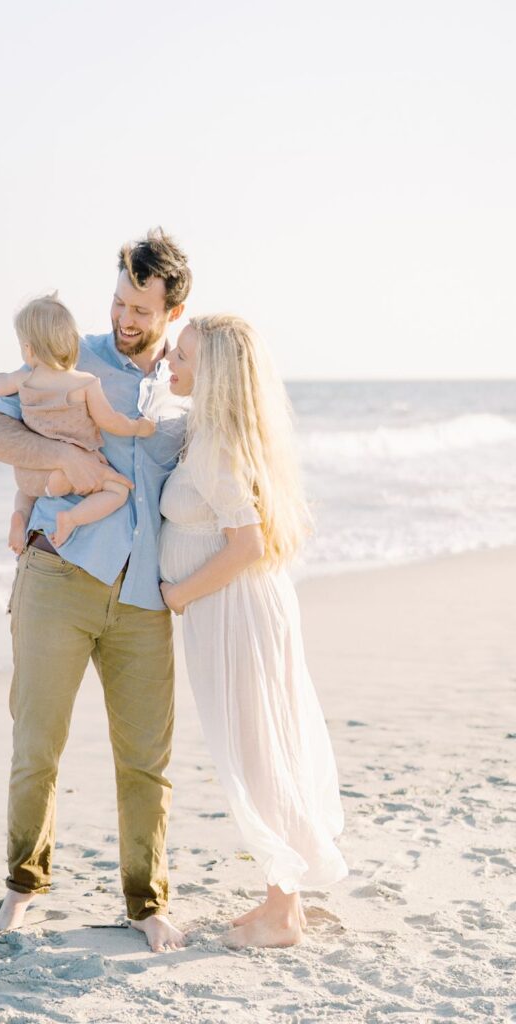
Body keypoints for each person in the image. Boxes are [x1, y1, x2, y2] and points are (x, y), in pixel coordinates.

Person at [0, 228, 192, 952]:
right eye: (120, 300)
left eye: (141, 309)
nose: (125, 317)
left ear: (172, 311)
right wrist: (61, 453)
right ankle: (21, 889)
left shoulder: (189, 388)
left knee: (146, 761)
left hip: (144, 597)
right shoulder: (69, 358)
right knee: (37, 744)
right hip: (57, 576)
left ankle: (145, 901)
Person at [158, 314, 348, 949]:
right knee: (264, 748)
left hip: (233, 611)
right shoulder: (211, 434)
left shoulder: (216, 448)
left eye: (182, 355)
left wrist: (179, 593)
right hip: (233, 610)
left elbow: (247, 543)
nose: (169, 361)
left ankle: (283, 912)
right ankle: (280, 897)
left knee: (261, 755)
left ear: (213, 375)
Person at [0, 292, 155, 553]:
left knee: (26, 496)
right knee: (118, 491)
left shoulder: (24, 380)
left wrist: (7, 376)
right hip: (66, 475)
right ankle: (71, 519)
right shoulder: (84, 383)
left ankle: (20, 516)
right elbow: (110, 421)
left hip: (29, 474)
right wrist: (138, 427)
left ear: (29, 349)